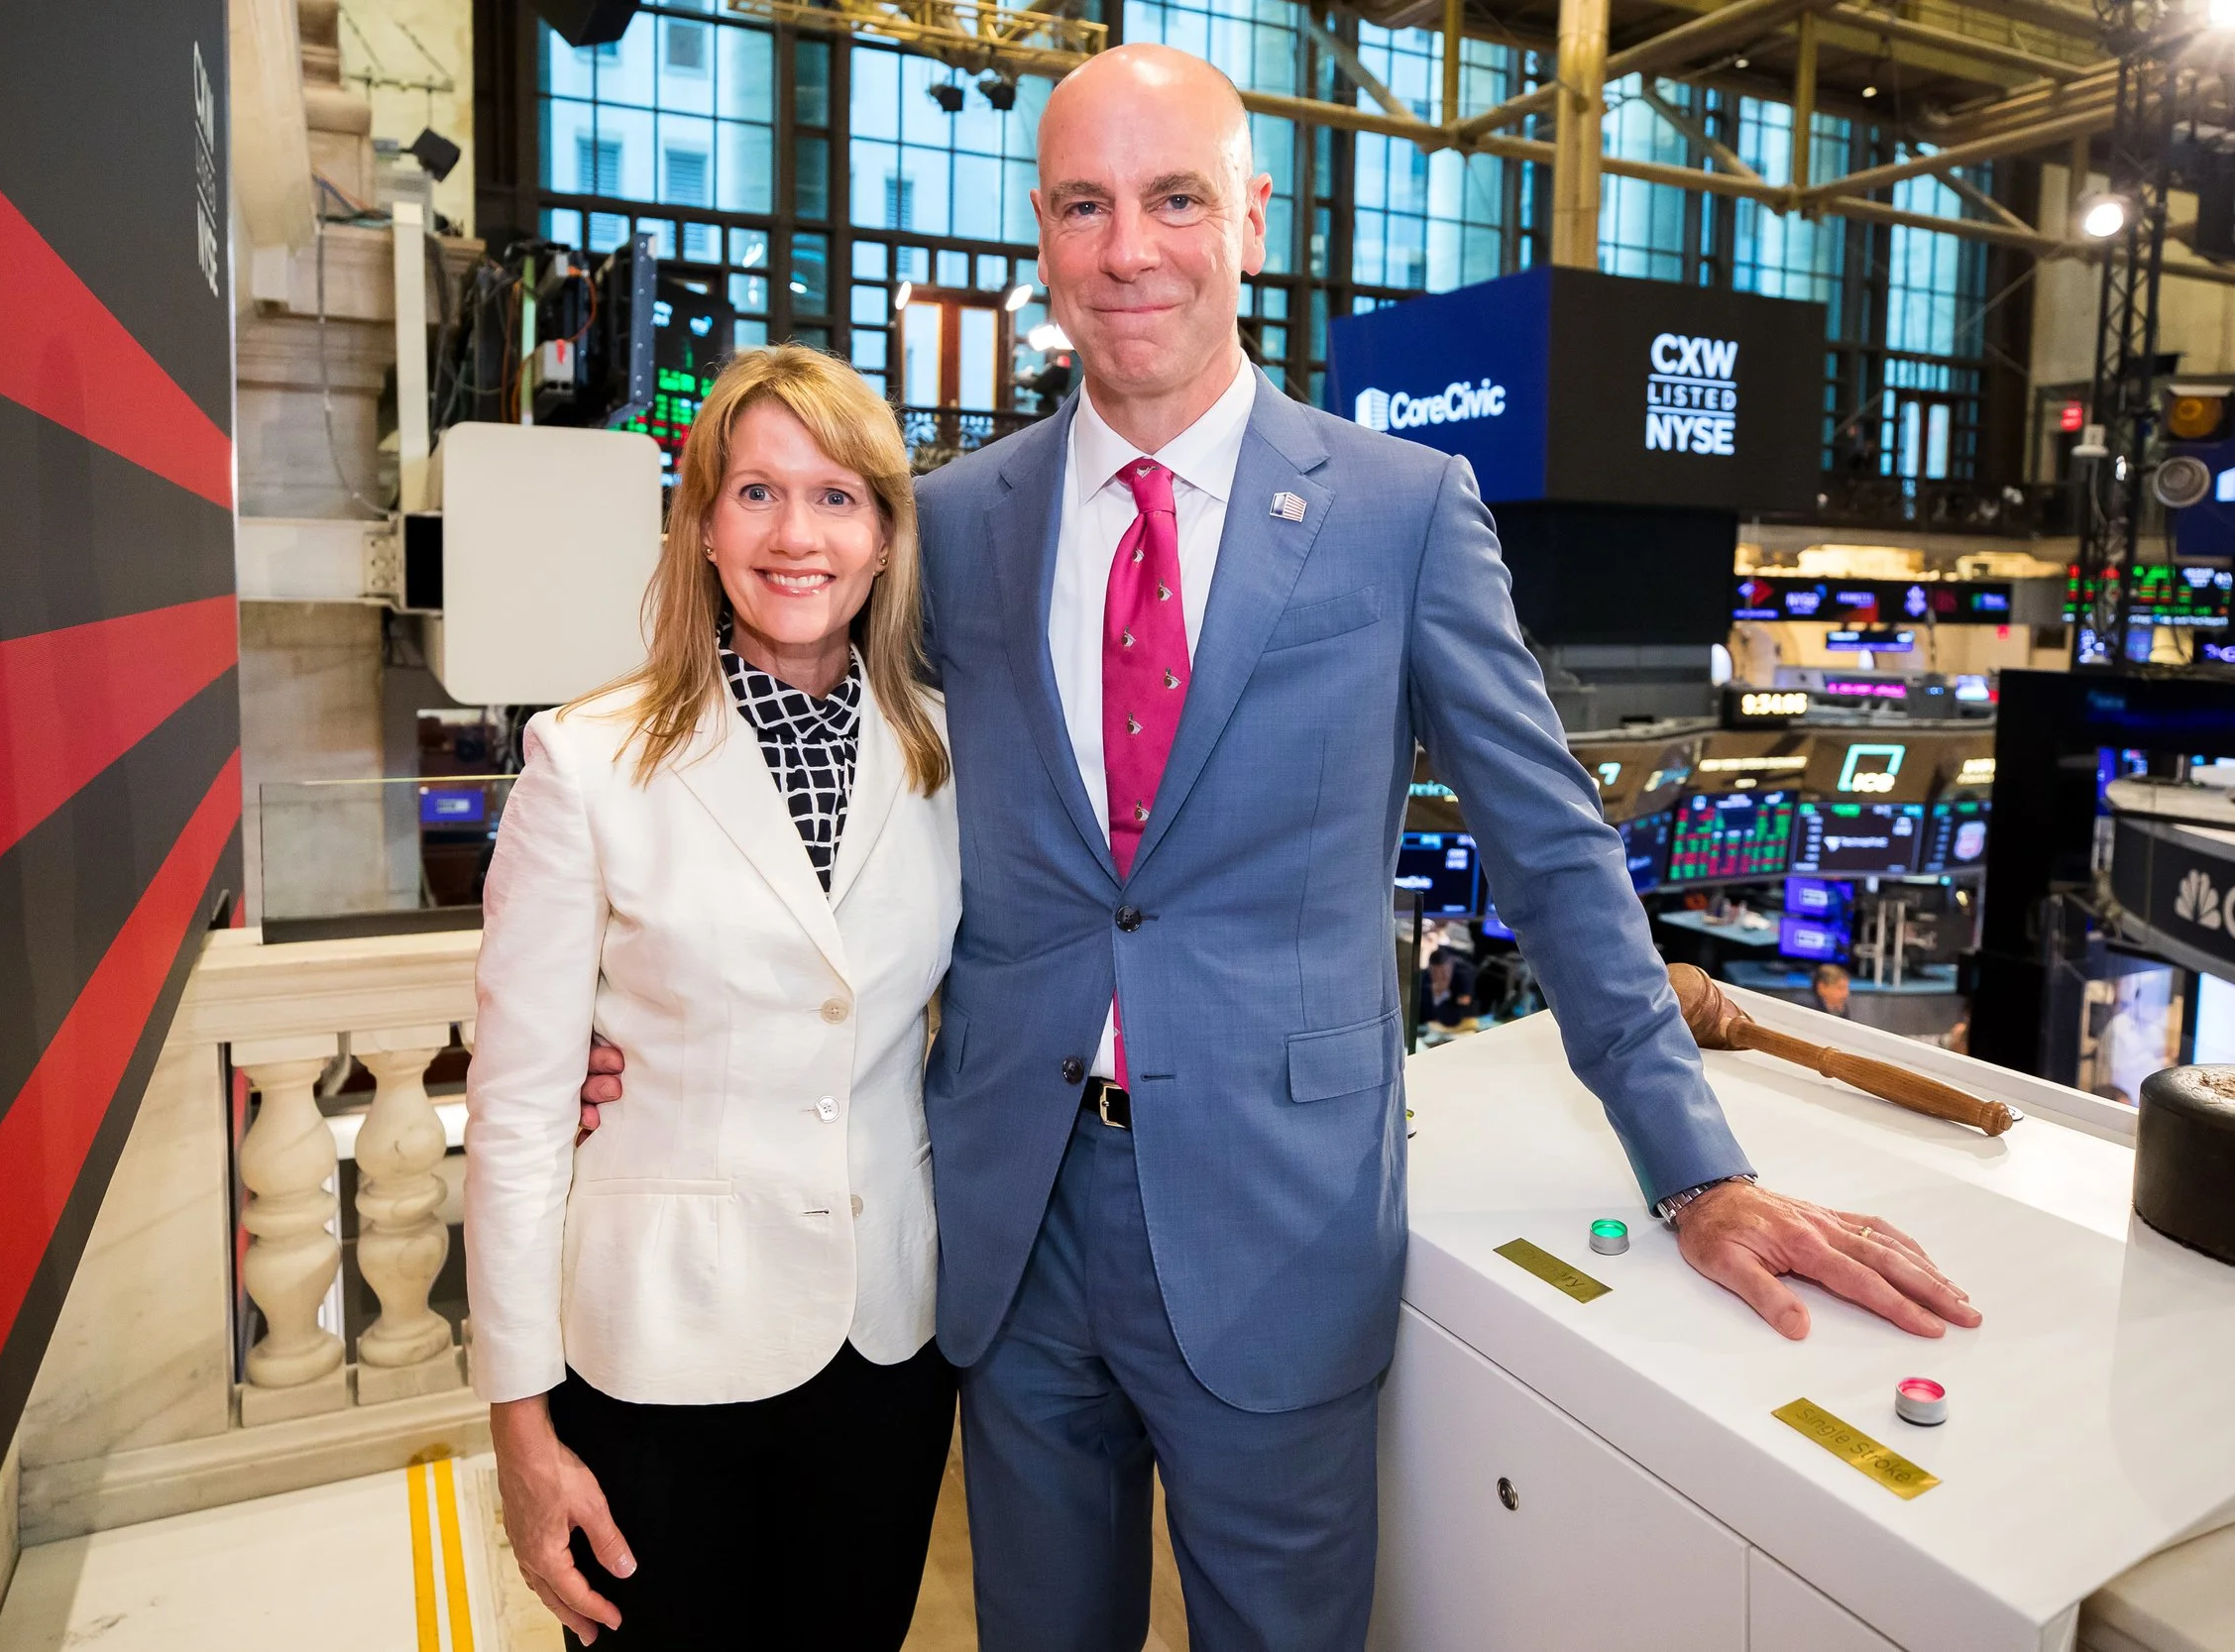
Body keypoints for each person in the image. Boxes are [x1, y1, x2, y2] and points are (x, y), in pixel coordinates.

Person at [587, 45, 1976, 1650]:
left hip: (1280, 1222)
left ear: (1253, 218)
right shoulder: (955, 523)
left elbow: (1552, 851)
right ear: (1041, 233)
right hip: (1011, 1223)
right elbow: (806, 777)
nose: (1131, 250)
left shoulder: (1402, 509)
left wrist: (1699, 1168)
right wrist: (641, 1033)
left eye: (1175, 200)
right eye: (1086, 207)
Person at [468, 346, 961, 1648]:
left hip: (885, 1347)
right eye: (757, 493)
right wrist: (519, 1423)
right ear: (700, 526)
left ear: (884, 537)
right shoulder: (586, 760)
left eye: (837, 496)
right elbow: (517, 1114)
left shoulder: (950, 756)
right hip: (658, 1354)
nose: (797, 534)